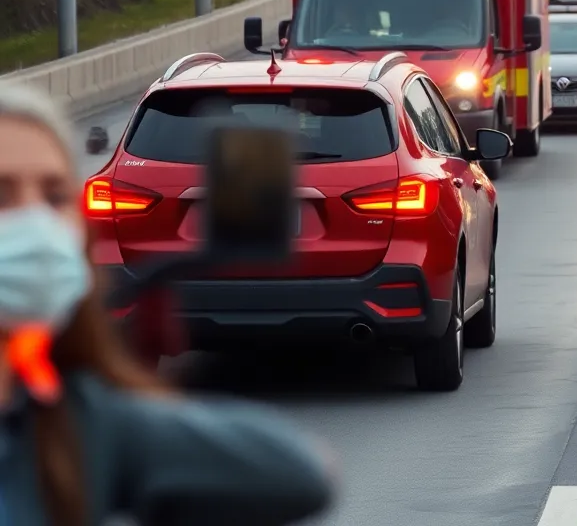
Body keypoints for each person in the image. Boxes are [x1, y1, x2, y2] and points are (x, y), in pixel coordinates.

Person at [0, 84, 336, 526]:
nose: (34, 222)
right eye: (1, 194)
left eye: (56, 196)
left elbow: (301, 473)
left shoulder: (74, 422)